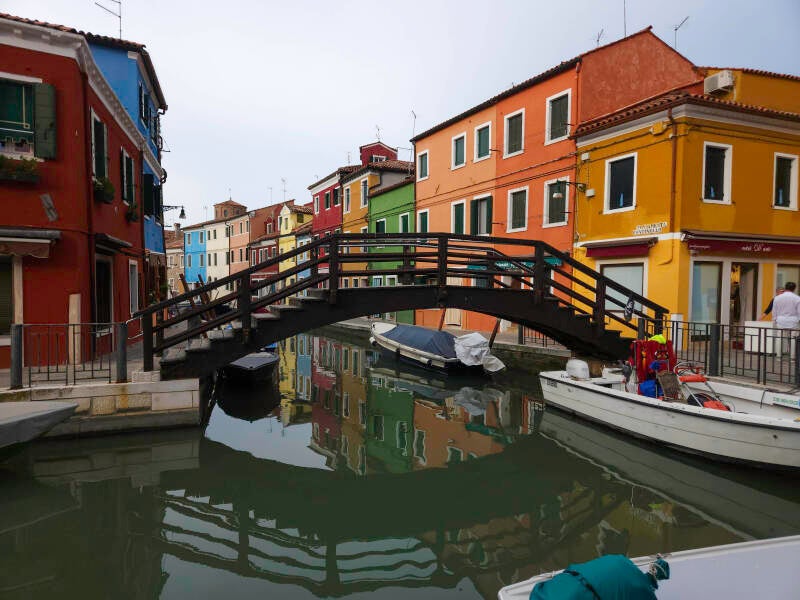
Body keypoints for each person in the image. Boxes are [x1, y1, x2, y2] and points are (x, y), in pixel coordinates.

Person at [772, 282, 800, 356]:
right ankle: (792, 357)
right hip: (793, 320)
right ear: (794, 288)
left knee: (779, 338)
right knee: (793, 339)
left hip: (780, 320)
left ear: (785, 287)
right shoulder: (797, 298)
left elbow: (774, 310)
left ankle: (778, 356)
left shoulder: (777, 298)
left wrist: (774, 319)